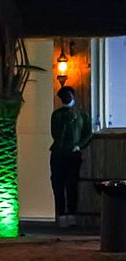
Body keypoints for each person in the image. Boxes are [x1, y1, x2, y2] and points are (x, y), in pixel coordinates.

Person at [50, 86, 92, 228]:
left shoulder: (81, 115)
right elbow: (55, 133)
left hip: (72, 154)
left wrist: (79, 146)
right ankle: (61, 214)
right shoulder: (57, 115)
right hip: (59, 153)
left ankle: (71, 214)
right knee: (58, 184)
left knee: (71, 184)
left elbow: (88, 134)